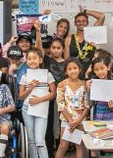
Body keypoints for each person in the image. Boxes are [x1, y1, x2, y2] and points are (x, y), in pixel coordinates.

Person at [35, 20, 67, 157]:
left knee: (62, 128)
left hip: (63, 99)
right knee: (48, 128)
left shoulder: (67, 64)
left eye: (58, 48)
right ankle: (48, 152)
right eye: (53, 47)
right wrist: (37, 30)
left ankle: (61, 152)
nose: (55, 50)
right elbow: (39, 48)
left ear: (63, 49)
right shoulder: (47, 60)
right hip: (49, 98)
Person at [19, 48, 56, 158]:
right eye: (29, 59)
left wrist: (39, 100)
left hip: (41, 108)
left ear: (40, 60)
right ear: (26, 61)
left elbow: (53, 94)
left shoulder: (47, 75)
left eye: (34, 58)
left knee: (40, 141)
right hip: (27, 109)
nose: (32, 61)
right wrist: (30, 88)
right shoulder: (25, 77)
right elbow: (21, 97)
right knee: (31, 140)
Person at [55, 58, 89, 158]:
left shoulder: (84, 85)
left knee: (79, 145)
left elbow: (87, 105)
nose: (72, 71)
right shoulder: (62, 85)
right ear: (66, 71)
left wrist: (78, 121)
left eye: (75, 68)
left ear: (80, 69)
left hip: (80, 120)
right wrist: (71, 121)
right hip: (66, 120)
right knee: (63, 145)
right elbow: (61, 105)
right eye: (69, 69)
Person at [64, 7, 105, 77]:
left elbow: (102, 16)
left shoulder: (93, 35)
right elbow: (66, 60)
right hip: (75, 75)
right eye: (78, 21)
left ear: (87, 22)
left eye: (84, 21)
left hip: (92, 73)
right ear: (75, 23)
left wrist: (85, 11)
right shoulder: (69, 39)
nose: (81, 23)